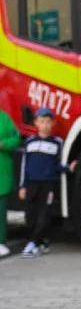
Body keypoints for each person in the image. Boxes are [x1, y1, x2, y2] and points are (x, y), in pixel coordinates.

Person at [19, 108, 75, 258]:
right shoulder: (30, 142)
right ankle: (42, 242)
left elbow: (58, 164)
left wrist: (68, 168)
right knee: (30, 216)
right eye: (42, 122)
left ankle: (31, 245)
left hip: (48, 185)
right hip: (31, 184)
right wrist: (23, 186)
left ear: (53, 123)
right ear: (36, 123)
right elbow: (25, 165)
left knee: (44, 215)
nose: (45, 125)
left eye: (48, 122)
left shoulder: (57, 143)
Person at [0, 110, 19, 259]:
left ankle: (1, 242)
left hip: (2, 175)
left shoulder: (5, 119)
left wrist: (3, 144)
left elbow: (16, 138)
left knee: (1, 212)